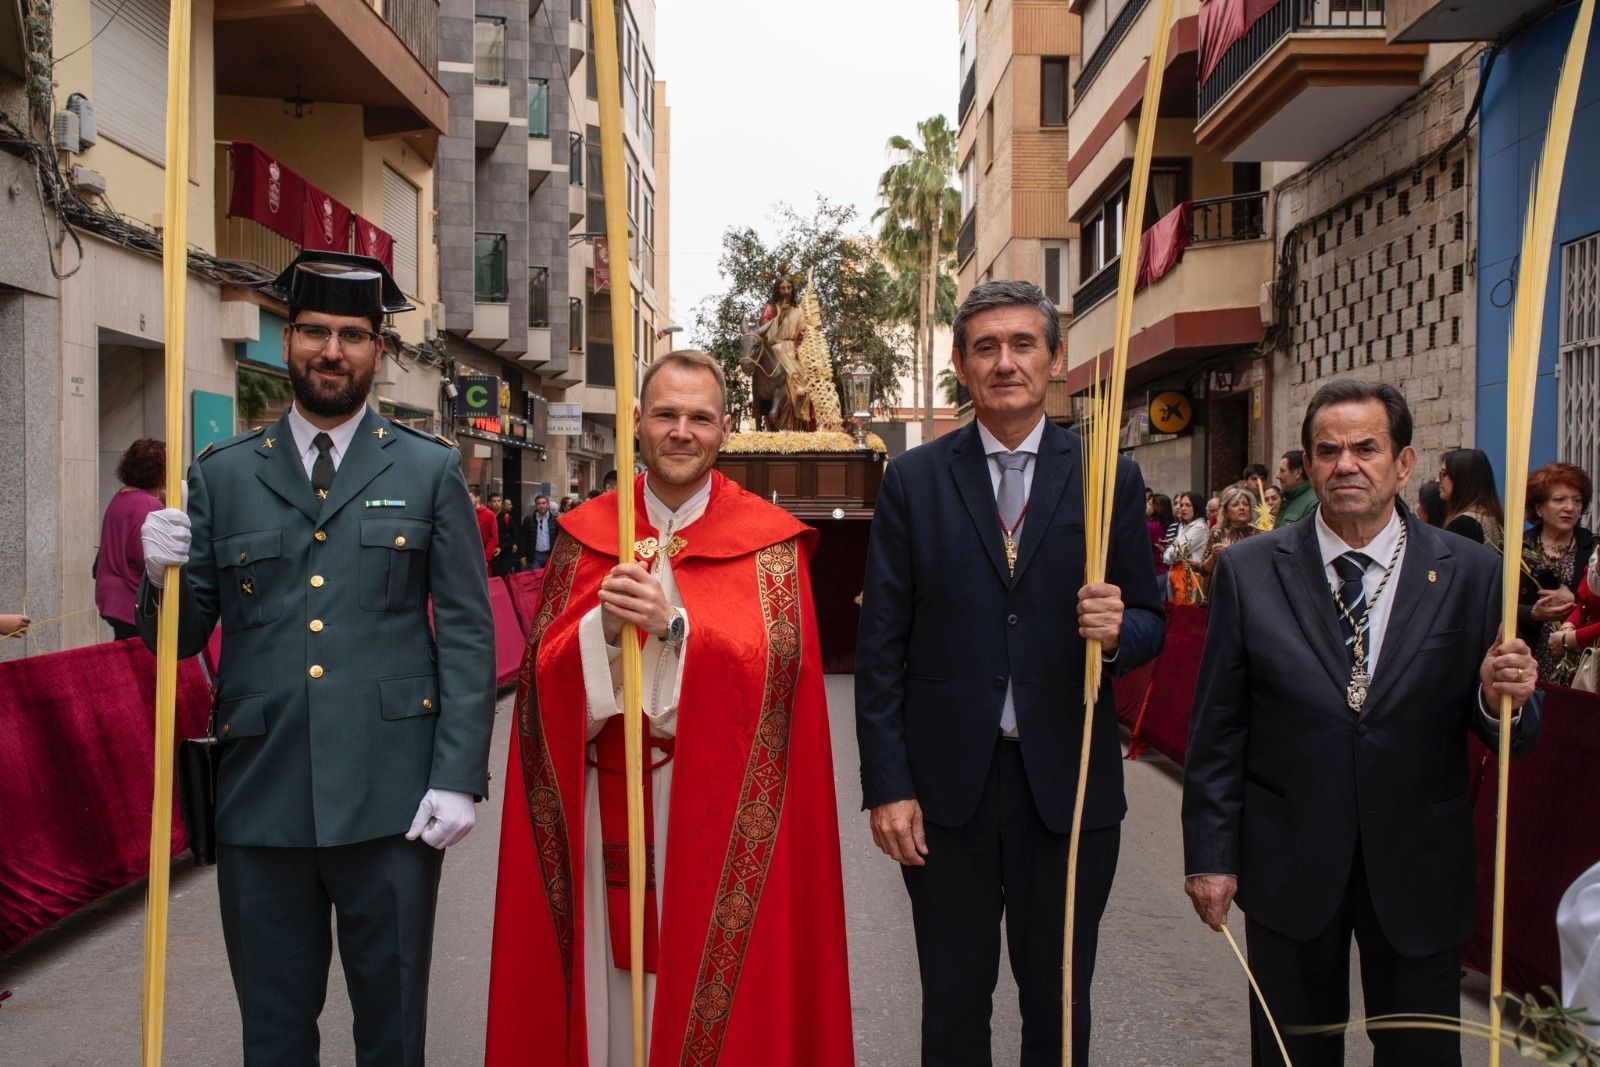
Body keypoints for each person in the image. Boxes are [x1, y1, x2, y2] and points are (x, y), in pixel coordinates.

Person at [134, 251, 496, 1065]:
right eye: (313, 332)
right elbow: (182, 638)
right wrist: (158, 573)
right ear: (286, 340)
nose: (331, 350)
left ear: (379, 351)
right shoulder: (222, 476)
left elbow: (470, 631)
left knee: (392, 1031)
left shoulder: (428, 468)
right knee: (272, 1033)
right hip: (263, 799)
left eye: (353, 335)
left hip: (395, 798)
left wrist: (458, 772)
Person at [485, 350, 853, 1065]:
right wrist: (600, 630)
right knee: (610, 1006)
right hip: (603, 808)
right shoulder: (585, 534)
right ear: (637, 424)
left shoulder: (772, 546)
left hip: (710, 812)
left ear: (723, 431)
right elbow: (536, 686)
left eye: (699, 417)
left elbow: (780, 690)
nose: (681, 431)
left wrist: (675, 630)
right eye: (665, 415)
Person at [1182, 378, 1542, 1067]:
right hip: (1289, 860)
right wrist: (1210, 853)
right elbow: (1219, 727)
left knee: (1420, 1055)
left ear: (1403, 463)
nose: (1346, 463)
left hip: (1419, 865)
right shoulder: (1252, 570)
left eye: (1366, 448)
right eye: (1328, 450)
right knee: (1293, 1052)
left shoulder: (1470, 572)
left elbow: (1513, 730)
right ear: (1310, 465)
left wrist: (1509, 695)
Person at [855, 280, 1164, 1066]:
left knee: (1059, 1003)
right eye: (985, 347)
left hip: (1069, 788)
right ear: (961, 364)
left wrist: (1117, 629)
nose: (1005, 362)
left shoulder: (1107, 479)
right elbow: (881, 645)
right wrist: (888, 783)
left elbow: (1153, 619)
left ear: (1055, 358)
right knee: (953, 1004)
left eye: (1023, 343)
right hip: (947, 795)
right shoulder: (914, 480)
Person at [1519, 462, 1595, 681]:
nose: (1570, 508)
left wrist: (1575, 601)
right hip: (1528, 664)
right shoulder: (1518, 549)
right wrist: (1532, 612)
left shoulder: (1592, 547)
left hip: (1581, 668)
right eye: (1559, 500)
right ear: (1539, 507)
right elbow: (1496, 604)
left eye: (1577, 501)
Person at [96, 437, 166, 640]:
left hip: (112, 597)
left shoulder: (121, 497)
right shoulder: (148, 505)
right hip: (134, 599)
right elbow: (150, 558)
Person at [741, 275, 813, 432]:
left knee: (800, 378)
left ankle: (797, 421)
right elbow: (765, 332)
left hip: (792, 350)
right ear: (777, 289)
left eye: (789, 288)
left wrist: (801, 349)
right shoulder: (770, 309)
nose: (786, 291)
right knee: (761, 373)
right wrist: (781, 317)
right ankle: (759, 410)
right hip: (774, 348)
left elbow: (802, 333)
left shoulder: (798, 309)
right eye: (783, 288)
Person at [1438, 447, 1504, 549]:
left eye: (1444, 474)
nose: (1438, 480)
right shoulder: (1489, 516)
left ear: (1462, 478)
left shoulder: (1464, 525)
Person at [1199, 485, 1259, 580]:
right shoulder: (1218, 532)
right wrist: (1214, 556)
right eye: (1235, 505)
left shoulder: (1257, 533)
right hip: (1225, 585)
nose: (1242, 508)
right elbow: (1204, 571)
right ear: (1226, 511)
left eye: (1245, 504)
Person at [1164, 491, 1211, 606]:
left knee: (1186, 618)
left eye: (1188, 505)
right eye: (1181, 505)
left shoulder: (1199, 527)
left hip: (1190, 579)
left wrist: (1171, 551)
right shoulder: (1183, 526)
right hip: (1176, 578)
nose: (1183, 508)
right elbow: (1166, 557)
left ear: (1197, 506)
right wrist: (1171, 552)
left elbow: (1176, 552)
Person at [519, 494, 561, 570]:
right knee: (536, 579)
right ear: (536, 505)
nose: (541, 506)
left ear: (548, 505)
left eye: (543, 503)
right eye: (539, 504)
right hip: (534, 555)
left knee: (548, 579)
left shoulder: (555, 520)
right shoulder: (529, 519)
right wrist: (522, 555)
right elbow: (523, 538)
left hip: (550, 555)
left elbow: (558, 538)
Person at [1274, 449, 1316, 525]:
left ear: (1298, 473)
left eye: (1282, 471)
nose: (1278, 476)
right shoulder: (1287, 499)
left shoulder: (1313, 503)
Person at [1149, 493, 1176, 598]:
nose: (1147, 505)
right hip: (1166, 572)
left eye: (1150, 504)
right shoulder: (1172, 525)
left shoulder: (1151, 526)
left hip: (1155, 572)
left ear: (1157, 508)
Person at [492, 493, 519, 577]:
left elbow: (514, 537)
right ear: (489, 503)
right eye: (494, 501)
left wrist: (501, 547)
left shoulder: (506, 517)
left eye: (498, 501)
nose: (496, 503)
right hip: (491, 552)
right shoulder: (488, 516)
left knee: (501, 577)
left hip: (505, 552)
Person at [473, 487, 500, 574]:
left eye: (470, 497)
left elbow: (494, 538)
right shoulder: (466, 513)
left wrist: (486, 558)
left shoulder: (489, 515)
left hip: (483, 555)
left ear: (477, 498)